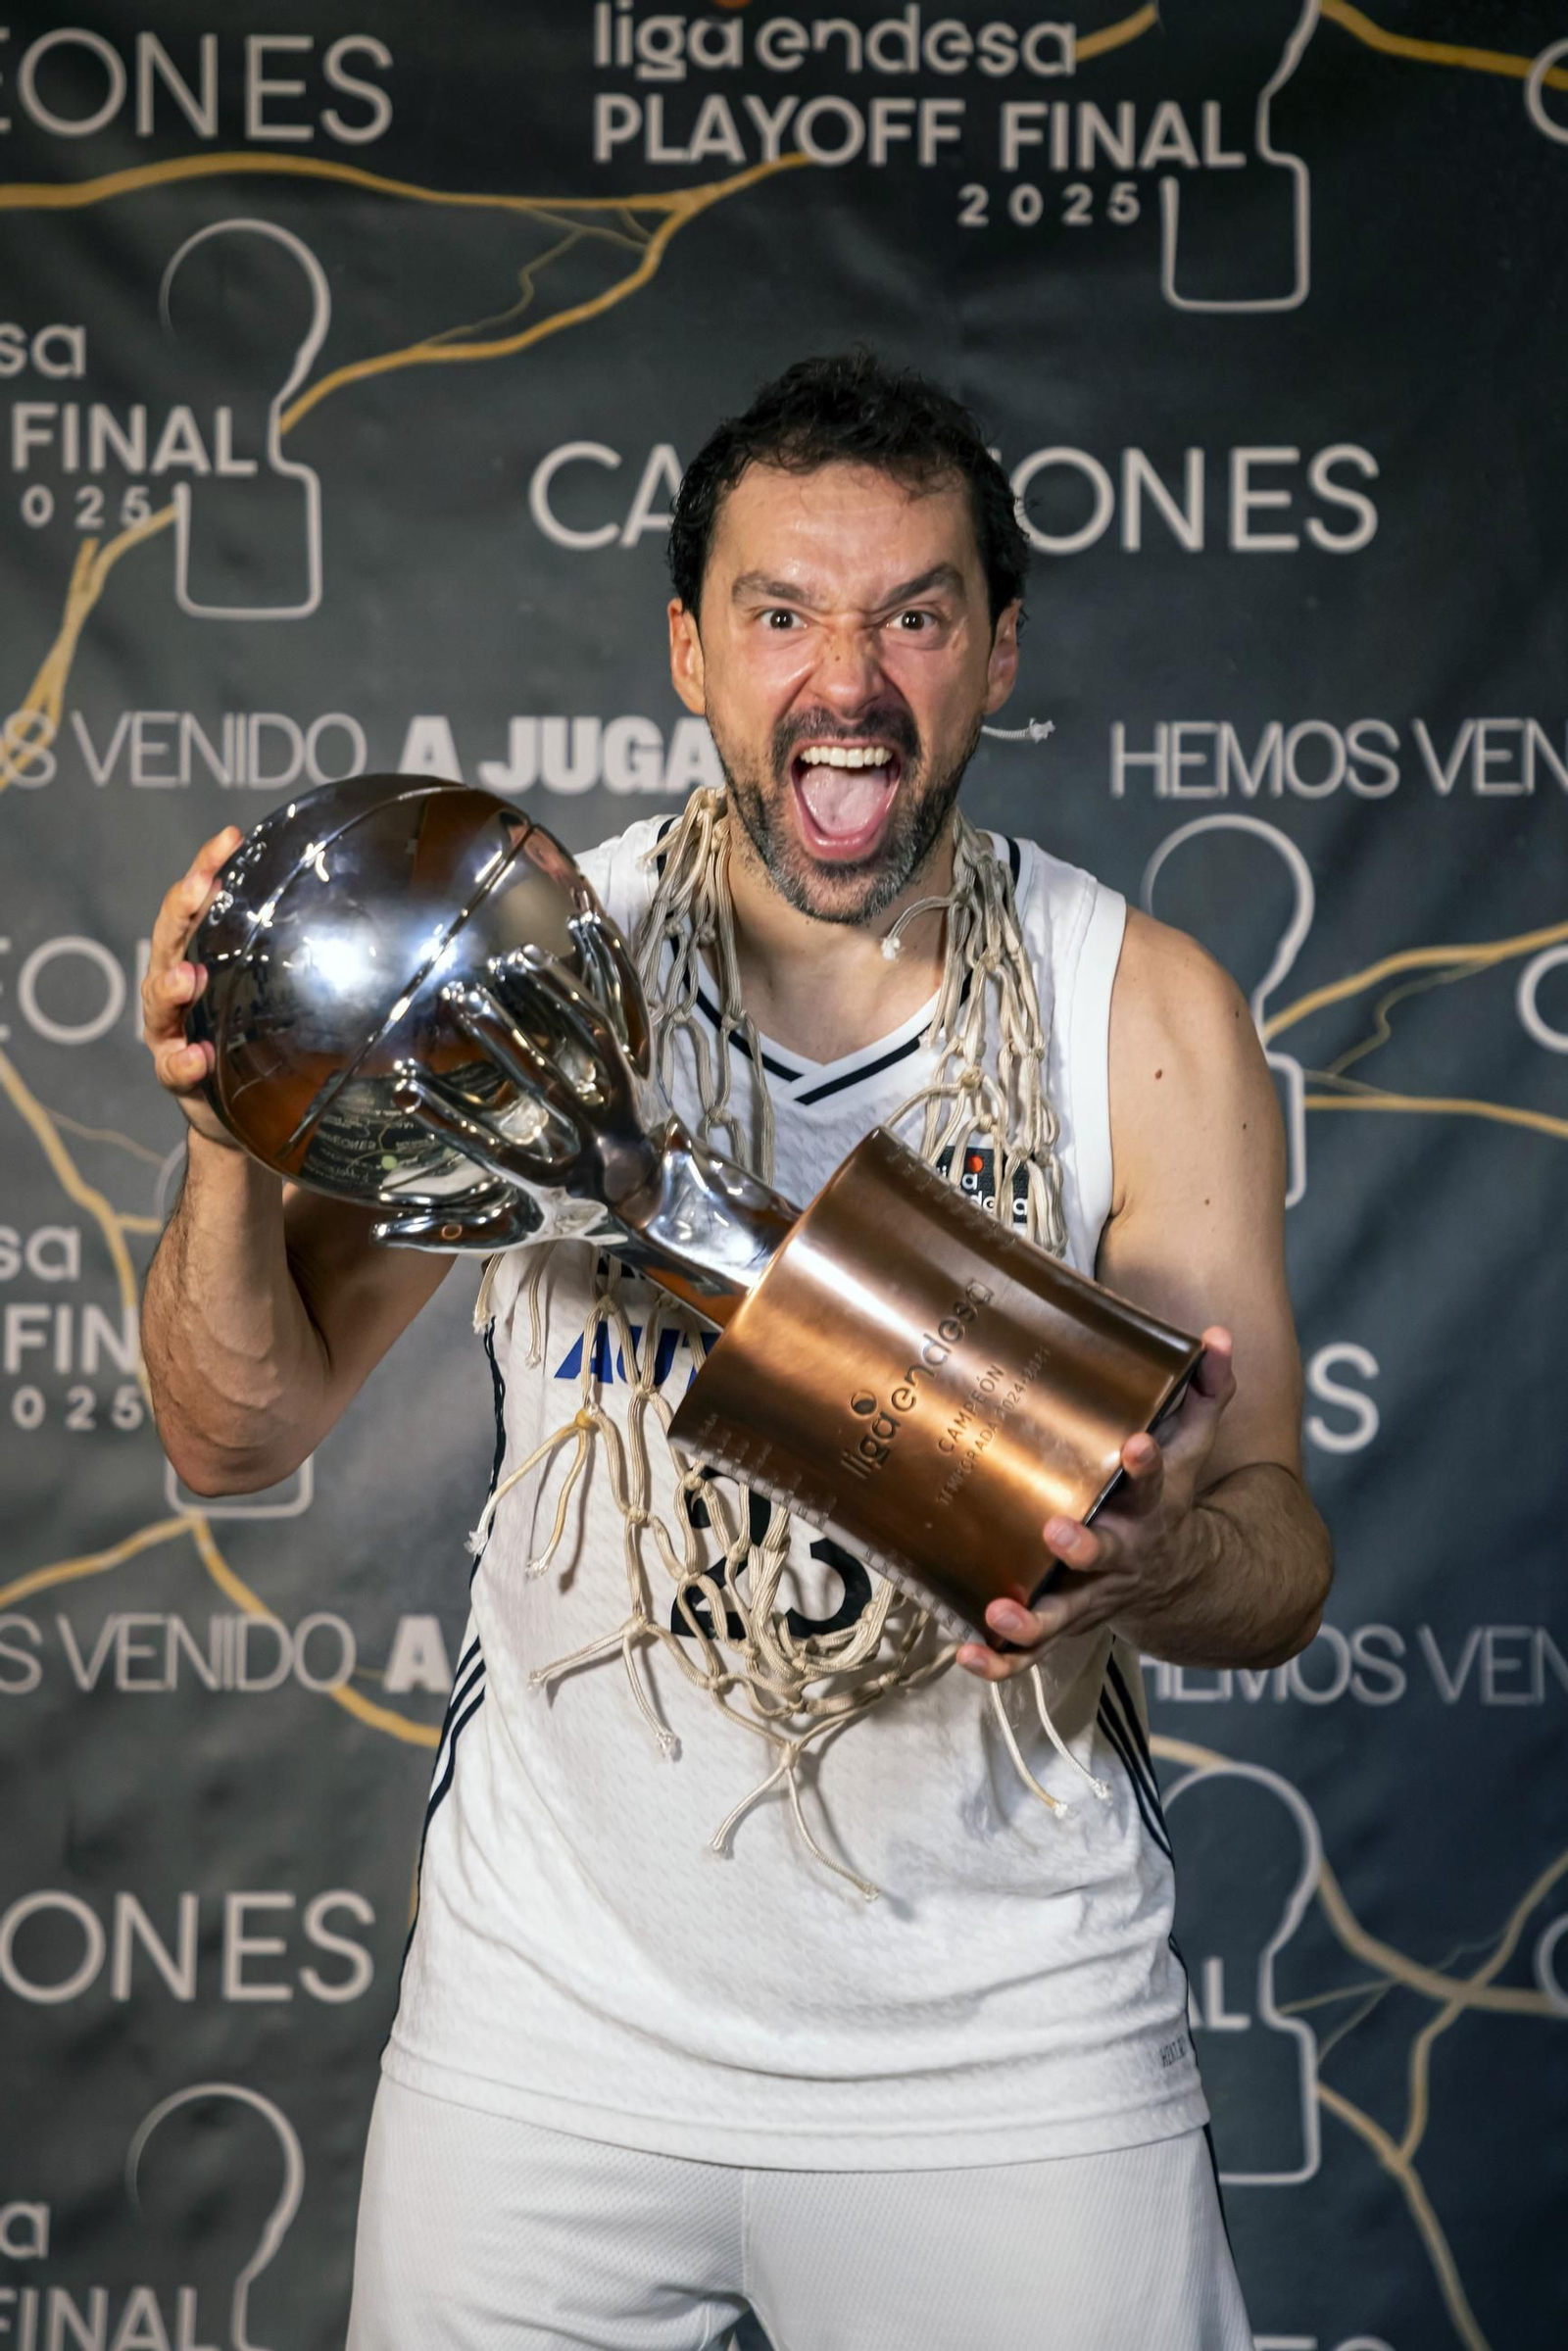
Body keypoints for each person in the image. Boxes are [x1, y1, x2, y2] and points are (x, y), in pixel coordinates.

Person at [140, 352, 1332, 2351]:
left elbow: (1278, 1559)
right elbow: (230, 1434)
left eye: (913, 615)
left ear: (1000, 653)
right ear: (688, 651)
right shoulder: (528, 963)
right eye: (781, 614)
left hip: (1005, 2049)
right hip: (550, 2038)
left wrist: (1150, 1567)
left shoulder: (1139, 1008)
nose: (845, 681)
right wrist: (222, 1136)